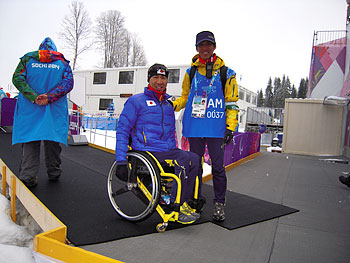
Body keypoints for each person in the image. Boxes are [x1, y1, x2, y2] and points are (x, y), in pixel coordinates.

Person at [115, 63, 202, 224]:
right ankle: (176, 205)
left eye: (163, 78)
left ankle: (186, 201)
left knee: (195, 158)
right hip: (146, 151)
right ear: (149, 79)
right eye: (156, 77)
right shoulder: (136, 101)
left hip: (166, 150)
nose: (160, 81)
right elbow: (122, 130)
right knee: (183, 160)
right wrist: (121, 160)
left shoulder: (168, 105)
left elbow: (171, 133)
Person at [173, 31, 239, 222]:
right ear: (196, 48)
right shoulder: (190, 72)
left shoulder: (227, 73)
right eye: (201, 45)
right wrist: (171, 105)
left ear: (214, 47)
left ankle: (219, 203)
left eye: (208, 45)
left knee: (218, 168)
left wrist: (230, 127)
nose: (204, 48)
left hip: (216, 129)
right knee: (195, 167)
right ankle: (195, 200)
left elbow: (232, 102)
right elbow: (185, 97)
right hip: (195, 128)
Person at [12, 37, 74, 188]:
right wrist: (50, 97)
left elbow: (17, 78)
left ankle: (28, 176)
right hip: (53, 110)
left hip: (30, 110)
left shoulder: (27, 61)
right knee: (52, 140)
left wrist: (33, 96)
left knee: (30, 141)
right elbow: (68, 84)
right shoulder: (63, 64)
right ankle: (54, 172)